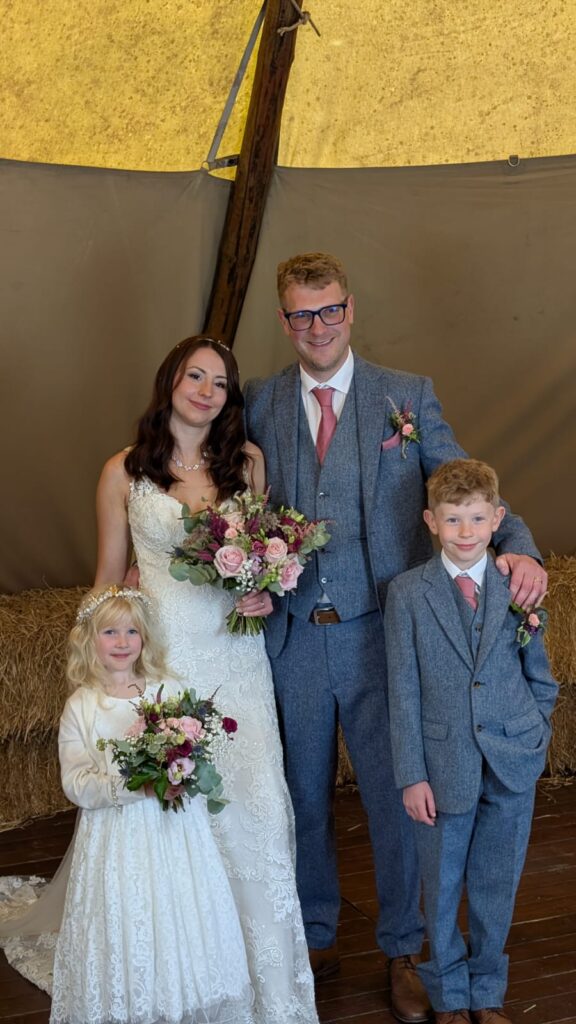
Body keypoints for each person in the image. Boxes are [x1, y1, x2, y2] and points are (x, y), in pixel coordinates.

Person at [243, 252, 548, 1024]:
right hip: (292, 639)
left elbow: (467, 485)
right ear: (285, 320)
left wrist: (521, 549)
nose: (318, 326)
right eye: (302, 314)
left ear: (351, 309)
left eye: (330, 309)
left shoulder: (406, 396)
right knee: (301, 799)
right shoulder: (260, 402)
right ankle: (313, 938)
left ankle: (404, 947)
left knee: (395, 797)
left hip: (383, 636)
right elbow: (219, 489)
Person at [94, 335, 319, 1024]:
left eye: (219, 383)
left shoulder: (246, 462)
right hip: (167, 663)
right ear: (170, 379)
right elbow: (107, 581)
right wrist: (107, 676)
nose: (205, 391)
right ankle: (184, 982)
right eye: (195, 376)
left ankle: (266, 985)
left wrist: (264, 592)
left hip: (238, 660)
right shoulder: (124, 471)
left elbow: (261, 561)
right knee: (180, 816)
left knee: (253, 809)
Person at [384, 459, 558, 1024]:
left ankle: (487, 994)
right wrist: (412, 774)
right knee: (441, 886)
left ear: (497, 519)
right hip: (442, 766)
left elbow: (541, 676)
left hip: (513, 760)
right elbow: (402, 691)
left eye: (477, 519)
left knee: (496, 883)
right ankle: (450, 997)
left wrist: (537, 734)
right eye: (453, 519)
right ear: (431, 521)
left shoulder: (518, 586)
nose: (465, 532)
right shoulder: (407, 594)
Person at [53, 585, 254, 1024]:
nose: (122, 642)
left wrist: (184, 771)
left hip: (174, 832)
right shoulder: (82, 706)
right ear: (89, 639)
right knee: (129, 916)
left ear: (145, 638)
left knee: (176, 910)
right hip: (116, 838)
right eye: (110, 632)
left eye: (132, 631)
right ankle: (134, 1000)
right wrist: (136, 787)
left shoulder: (169, 689)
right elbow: (76, 782)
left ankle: (181, 997)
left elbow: (195, 750)